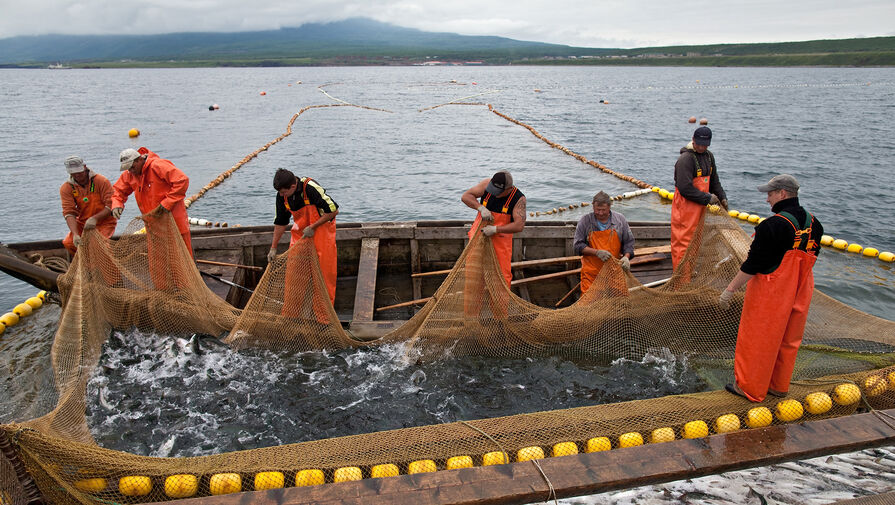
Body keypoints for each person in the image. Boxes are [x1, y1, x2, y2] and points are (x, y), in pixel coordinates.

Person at [720, 174, 823, 402]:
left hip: (772, 293)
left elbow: (753, 265)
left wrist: (730, 290)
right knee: (789, 338)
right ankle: (778, 386)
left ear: (782, 194)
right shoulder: (816, 225)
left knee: (758, 339)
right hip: (801, 288)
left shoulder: (771, 226)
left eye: (770, 194)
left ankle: (750, 388)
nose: (767, 199)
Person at [268, 168, 339, 305]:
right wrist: (273, 247)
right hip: (301, 235)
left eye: (284, 192)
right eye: (280, 192)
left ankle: (323, 318)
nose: (282, 195)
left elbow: (334, 210)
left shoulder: (310, 188)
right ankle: (292, 315)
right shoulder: (281, 196)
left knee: (324, 276)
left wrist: (313, 227)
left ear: (293, 186)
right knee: (294, 275)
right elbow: (281, 222)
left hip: (322, 232)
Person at [111, 147, 192, 256]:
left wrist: (167, 203)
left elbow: (182, 181)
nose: (131, 170)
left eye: (132, 167)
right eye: (128, 168)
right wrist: (117, 204)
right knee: (158, 262)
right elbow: (118, 191)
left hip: (174, 223)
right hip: (153, 226)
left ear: (139, 159)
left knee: (182, 258)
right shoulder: (130, 174)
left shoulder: (158, 166)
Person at [671, 126, 728, 269]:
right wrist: (708, 198)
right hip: (685, 209)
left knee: (696, 241)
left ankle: (689, 272)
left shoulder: (709, 156)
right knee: (683, 243)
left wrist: (722, 197)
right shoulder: (685, 159)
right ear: (693, 140)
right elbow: (685, 188)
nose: (702, 147)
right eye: (699, 144)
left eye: (705, 145)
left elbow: (714, 180)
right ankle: (680, 281)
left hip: (699, 208)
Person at [461, 170, 527, 286]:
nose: (493, 193)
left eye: (497, 192)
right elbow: (466, 196)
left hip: (500, 242)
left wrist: (496, 229)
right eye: (492, 189)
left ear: (508, 189)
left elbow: (519, 225)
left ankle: (499, 304)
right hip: (479, 236)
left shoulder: (518, 199)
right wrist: (480, 207)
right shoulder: (486, 184)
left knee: (501, 277)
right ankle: (474, 303)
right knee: (473, 273)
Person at [573, 191, 635, 294]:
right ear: (593, 207)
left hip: (614, 271)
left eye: (603, 210)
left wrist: (626, 257)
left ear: (610, 207)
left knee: (619, 300)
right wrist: (597, 252)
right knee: (589, 302)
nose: (600, 213)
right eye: (598, 210)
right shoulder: (585, 221)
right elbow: (577, 246)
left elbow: (629, 243)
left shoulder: (620, 220)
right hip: (592, 273)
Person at [59, 155, 117, 256]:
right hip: (83, 224)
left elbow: (111, 205)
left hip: (104, 222)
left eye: (79, 172)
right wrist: (75, 234)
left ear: (85, 167)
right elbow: (69, 212)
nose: (77, 175)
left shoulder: (101, 181)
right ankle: (86, 266)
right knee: (68, 243)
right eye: (74, 173)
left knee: (99, 246)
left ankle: (109, 271)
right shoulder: (66, 188)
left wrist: (95, 219)